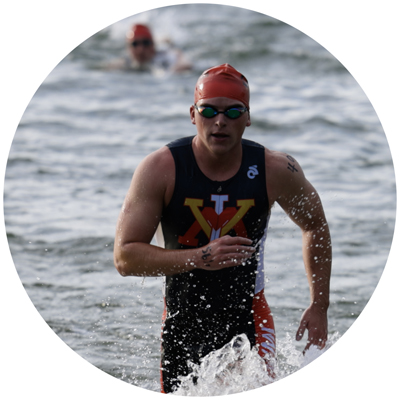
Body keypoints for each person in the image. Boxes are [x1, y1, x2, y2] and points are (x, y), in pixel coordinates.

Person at [113, 64, 332, 393]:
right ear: (192, 114)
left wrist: (320, 306)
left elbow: (315, 225)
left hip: (249, 315)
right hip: (180, 318)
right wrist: (200, 257)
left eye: (233, 111)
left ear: (248, 117)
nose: (220, 121)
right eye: (209, 110)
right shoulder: (160, 169)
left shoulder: (274, 169)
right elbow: (125, 257)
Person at [108, 23, 192, 73]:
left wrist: (170, 73)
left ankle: (163, 40)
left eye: (146, 43)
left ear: (153, 45)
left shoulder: (165, 55)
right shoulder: (125, 61)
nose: (141, 49)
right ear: (129, 48)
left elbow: (185, 64)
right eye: (135, 44)